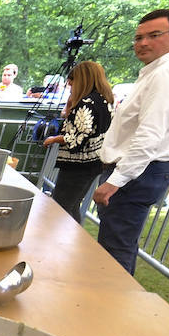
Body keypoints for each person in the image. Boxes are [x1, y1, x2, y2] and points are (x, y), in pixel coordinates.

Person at [94, 9, 169, 274]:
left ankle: (111, 307)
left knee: (115, 249)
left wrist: (115, 181)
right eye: (138, 37)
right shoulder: (158, 71)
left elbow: (150, 133)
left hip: (138, 171)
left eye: (154, 35)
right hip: (140, 170)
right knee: (116, 244)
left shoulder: (167, 73)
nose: (143, 43)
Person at [43, 60, 113, 221]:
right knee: (72, 205)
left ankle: (64, 240)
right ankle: (74, 239)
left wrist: (54, 139)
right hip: (93, 163)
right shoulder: (104, 101)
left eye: (72, 82)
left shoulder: (86, 104)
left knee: (61, 207)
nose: (70, 86)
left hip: (77, 165)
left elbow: (77, 138)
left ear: (81, 80)